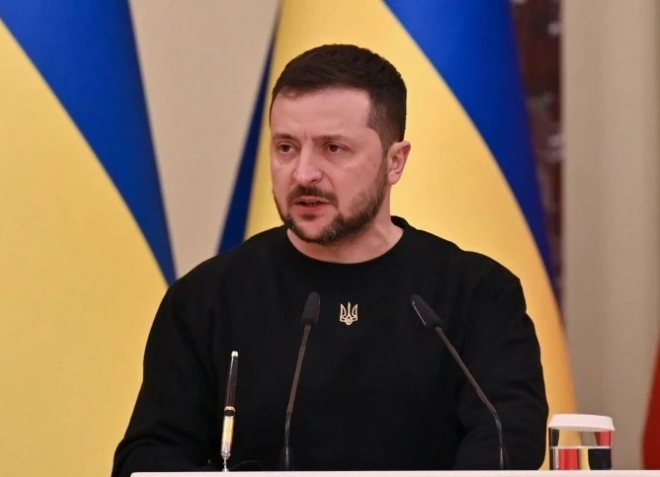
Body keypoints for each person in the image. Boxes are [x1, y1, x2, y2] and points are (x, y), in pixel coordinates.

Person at [111, 44, 548, 476]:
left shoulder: (477, 293)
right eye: (286, 147)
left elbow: (508, 438)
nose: (303, 174)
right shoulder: (206, 298)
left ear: (395, 162)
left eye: (333, 148)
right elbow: (149, 456)